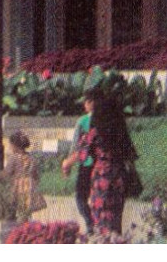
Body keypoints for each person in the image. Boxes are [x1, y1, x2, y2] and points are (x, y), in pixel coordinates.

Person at [61, 90, 138, 238]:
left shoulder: (96, 131)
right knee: (116, 220)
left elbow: (81, 152)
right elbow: (130, 157)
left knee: (102, 220)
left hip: (102, 179)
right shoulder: (120, 132)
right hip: (119, 178)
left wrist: (66, 163)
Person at [62, 92, 97, 235]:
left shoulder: (83, 121)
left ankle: (90, 224)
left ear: (89, 103)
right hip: (104, 167)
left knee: (80, 197)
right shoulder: (109, 119)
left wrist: (67, 164)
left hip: (87, 164)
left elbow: (77, 147)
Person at [6, 131, 47, 222]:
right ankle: (25, 226)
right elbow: (36, 175)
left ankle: (13, 226)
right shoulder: (32, 158)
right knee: (25, 211)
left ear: (14, 145)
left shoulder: (13, 158)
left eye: (10, 145)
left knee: (12, 208)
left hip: (16, 188)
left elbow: (7, 173)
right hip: (30, 188)